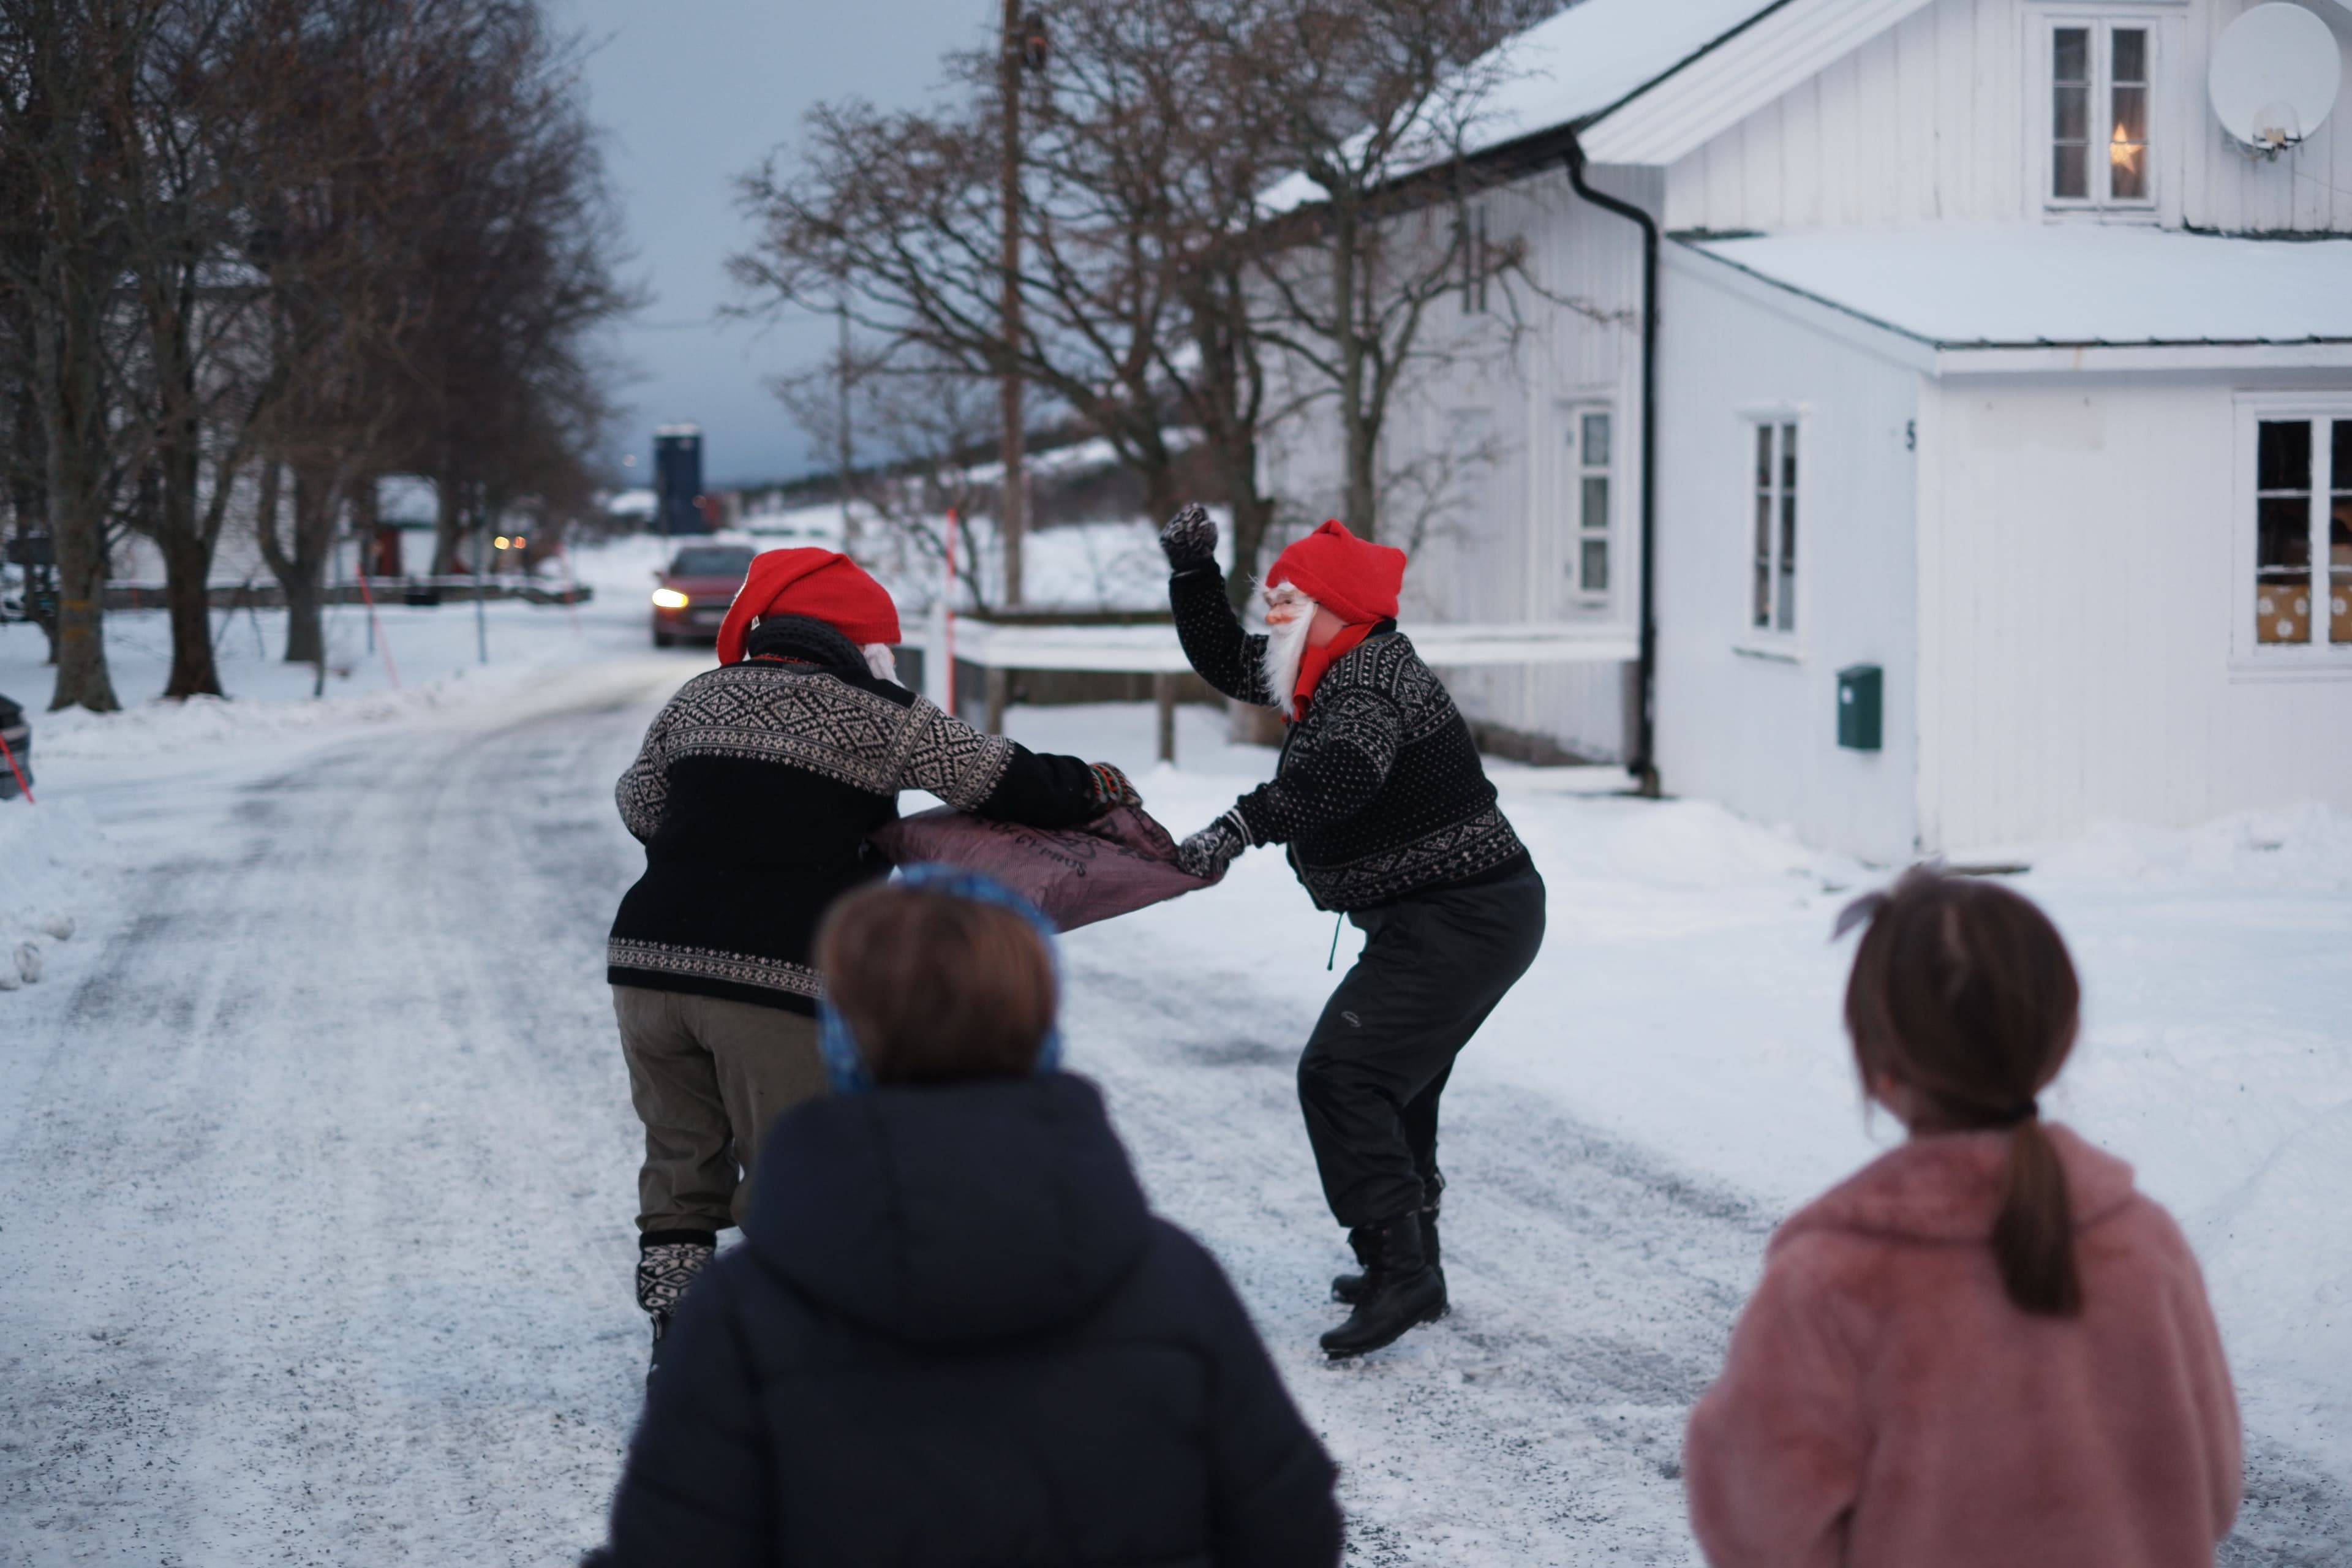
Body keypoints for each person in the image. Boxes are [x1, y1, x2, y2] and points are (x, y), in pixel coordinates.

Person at [588, 869, 1344, 1568]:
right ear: (1041, 1020)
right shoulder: (1174, 1281)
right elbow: (1293, 1530)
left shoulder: (745, 1310)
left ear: (845, 1032)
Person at [607, 548, 1136, 1360]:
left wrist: (725, 826)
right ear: (863, 643)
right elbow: (1003, 780)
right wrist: (1093, 783)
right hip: (774, 977)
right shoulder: (876, 709)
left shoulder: (699, 695)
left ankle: (679, 1338)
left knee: (681, 1157)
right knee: (794, 1167)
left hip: (648, 966)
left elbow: (640, 802)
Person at [1683, 867, 2241, 1568]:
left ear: (1879, 1064)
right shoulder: (2143, 1242)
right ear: (2057, 1041)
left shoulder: (1833, 1278)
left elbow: (1756, 1525)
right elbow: (2212, 1489)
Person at [1157, 505, 1545, 1358]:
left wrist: (1241, 824)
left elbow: (1342, 776)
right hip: (1454, 912)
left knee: (1342, 1074)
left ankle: (1399, 1269)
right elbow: (1228, 659)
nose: (1273, 618)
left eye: (1287, 603)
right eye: (1273, 601)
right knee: (1394, 1083)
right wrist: (1193, 573)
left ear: (1335, 609)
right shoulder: (1327, 660)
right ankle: (1413, 1263)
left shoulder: (1368, 681)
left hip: (1465, 916)